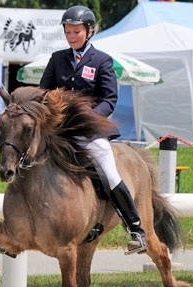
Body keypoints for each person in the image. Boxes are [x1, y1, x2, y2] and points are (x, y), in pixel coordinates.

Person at [39, 5, 146, 255]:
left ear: (89, 31)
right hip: (59, 130)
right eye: (67, 32)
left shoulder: (102, 61)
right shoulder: (57, 59)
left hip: (89, 131)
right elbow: (44, 92)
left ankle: (135, 229)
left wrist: (88, 119)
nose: (71, 36)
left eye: (76, 31)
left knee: (109, 173)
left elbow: (110, 99)